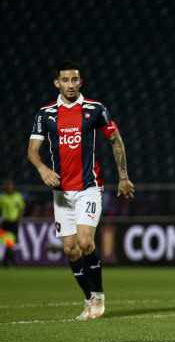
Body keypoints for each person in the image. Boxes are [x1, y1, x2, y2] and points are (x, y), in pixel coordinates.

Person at [27, 61, 135, 320]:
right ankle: (88, 298)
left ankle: (98, 295)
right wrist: (42, 169)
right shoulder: (46, 114)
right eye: (65, 80)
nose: (71, 85)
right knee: (70, 250)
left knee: (86, 242)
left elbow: (115, 140)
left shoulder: (95, 109)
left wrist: (123, 176)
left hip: (89, 187)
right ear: (57, 83)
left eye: (75, 79)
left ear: (80, 82)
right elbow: (32, 151)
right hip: (62, 193)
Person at [0, 179, 25, 266]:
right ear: (5, 187)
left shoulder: (18, 196)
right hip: (5, 222)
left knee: (10, 243)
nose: (9, 187)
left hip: (14, 223)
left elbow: (21, 208)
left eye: (10, 185)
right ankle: (11, 261)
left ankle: (7, 262)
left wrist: (19, 218)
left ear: (13, 187)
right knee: (9, 242)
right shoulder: (2, 197)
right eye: (7, 186)